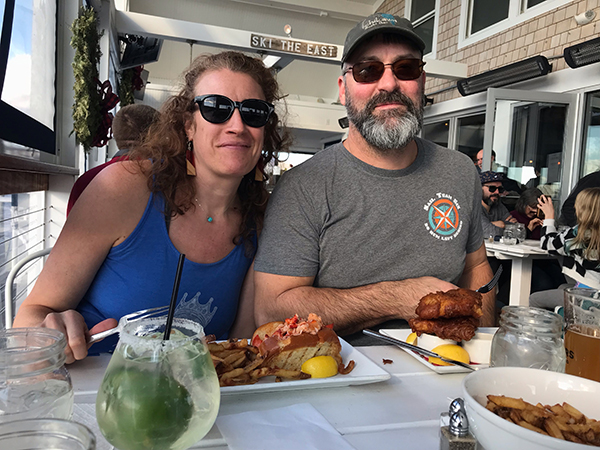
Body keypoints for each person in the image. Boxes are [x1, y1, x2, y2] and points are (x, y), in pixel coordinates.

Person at [13, 51, 290, 362]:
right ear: (188, 125)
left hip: (193, 400)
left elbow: (240, 345)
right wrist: (53, 332)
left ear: (265, 129)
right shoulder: (122, 188)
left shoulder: (262, 221)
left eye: (253, 112)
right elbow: (29, 318)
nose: (237, 125)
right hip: (94, 393)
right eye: (216, 109)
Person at [253, 13, 495, 339]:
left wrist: (482, 334)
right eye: (368, 70)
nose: (389, 84)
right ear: (343, 89)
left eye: (406, 68)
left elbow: (475, 267)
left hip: (448, 370)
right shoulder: (304, 186)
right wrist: (395, 298)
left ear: (422, 81)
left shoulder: (459, 171)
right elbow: (270, 308)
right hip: (343, 377)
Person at [66, 104, 161, 216]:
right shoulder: (163, 176)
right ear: (155, 134)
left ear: (116, 136)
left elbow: (73, 230)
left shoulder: (86, 181)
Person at [529, 188, 600, 309]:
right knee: (562, 287)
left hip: (588, 297)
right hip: (593, 290)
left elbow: (548, 244)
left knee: (534, 299)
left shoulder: (579, 234)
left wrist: (549, 217)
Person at [480, 171, 517, 239]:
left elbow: (517, 230)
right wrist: (505, 225)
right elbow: (489, 232)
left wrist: (500, 224)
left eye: (500, 189)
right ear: (479, 188)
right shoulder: (473, 207)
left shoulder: (499, 206)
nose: (497, 192)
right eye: (492, 188)